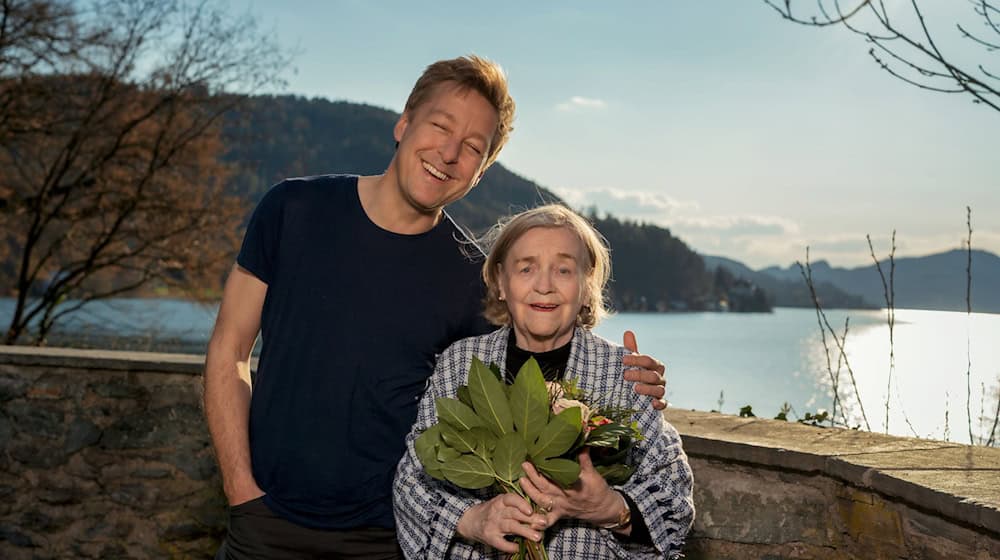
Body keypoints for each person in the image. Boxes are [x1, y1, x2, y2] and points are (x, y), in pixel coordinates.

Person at [203, 55, 669, 559]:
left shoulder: (475, 277)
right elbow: (230, 348)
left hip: (389, 538)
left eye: (472, 147)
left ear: (482, 169)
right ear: (404, 123)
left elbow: (538, 359)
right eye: (439, 126)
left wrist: (628, 387)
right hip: (264, 519)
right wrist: (241, 489)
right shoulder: (291, 210)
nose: (448, 153)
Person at [393, 204, 695, 559]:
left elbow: (674, 497)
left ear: (586, 287)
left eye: (564, 269)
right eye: (527, 268)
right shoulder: (460, 364)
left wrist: (611, 508)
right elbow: (412, 479)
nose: (544, 285)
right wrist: (473, 518)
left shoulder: (623, 374)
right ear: (499, 282)